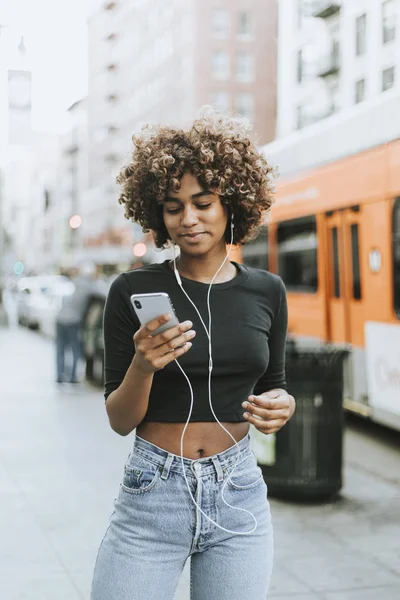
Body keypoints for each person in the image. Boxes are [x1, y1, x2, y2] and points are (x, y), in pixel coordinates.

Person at [91, 109, 296, 600]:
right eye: (172, 206)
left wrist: (281, 407)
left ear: (232, 203)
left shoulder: (267, 291)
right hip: (152, 493)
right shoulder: (132, 289)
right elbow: (120, 420)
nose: (188, 219)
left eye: (203, 203)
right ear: (155, 213)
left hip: (238, 490)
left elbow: (275, 386)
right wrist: (144, 364)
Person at [55, 271, 93, 383]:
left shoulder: (72, 283)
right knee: (75, 349)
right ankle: (72, 376)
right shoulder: (88, 286)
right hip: (73, 321)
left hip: (60, 319)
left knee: (60, 349)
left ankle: (60, 376)